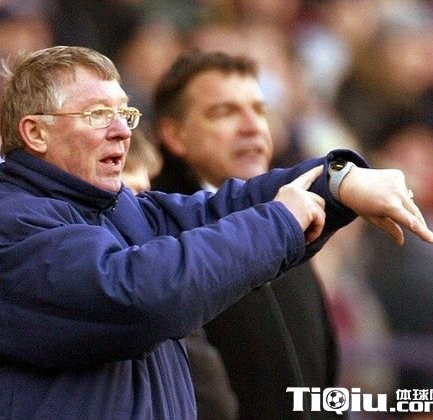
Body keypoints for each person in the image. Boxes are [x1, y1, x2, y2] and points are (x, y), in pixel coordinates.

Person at [0, 46, 433, 419]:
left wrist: (336, 182)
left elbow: (216, 211)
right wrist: (281, 221)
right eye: (98, 115)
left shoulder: (116, 208)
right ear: (34, 132)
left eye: (124, 113)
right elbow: (138, 296)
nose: (122, 130)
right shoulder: (2, 226)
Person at [150, 50, 339, 419]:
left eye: (260, 110)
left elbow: (325, 375)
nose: (252, 127)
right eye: (225, 112)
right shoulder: (157, 239)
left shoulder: (294, 218)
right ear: (174, 134)